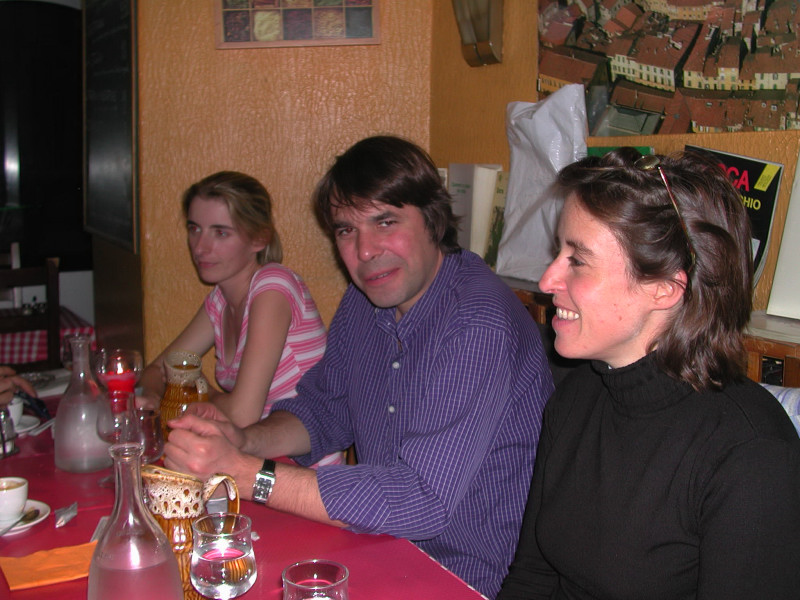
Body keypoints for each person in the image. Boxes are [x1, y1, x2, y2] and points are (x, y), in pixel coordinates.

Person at [163, 135, 554, 598]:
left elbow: (421, 499)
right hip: (379, 547)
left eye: (385, 221)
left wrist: (248, 474)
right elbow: (325, 410)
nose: (365, 251)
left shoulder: (478, 321)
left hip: (466, 578)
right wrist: (244, 440)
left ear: (433, 219)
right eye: (346, 230)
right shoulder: (364, 302)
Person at [498, 148, 800, 599]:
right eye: (558, 251)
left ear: (663, 288)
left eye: (577, 260)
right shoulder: (578, 395)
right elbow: (532, 577)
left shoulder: (752, 455)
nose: (546, 281)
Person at [139, 171, 341, 465]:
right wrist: (150, 398)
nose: (200, 247)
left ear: (259, 238)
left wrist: (198, 389)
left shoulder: (274, 286)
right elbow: (158, 369)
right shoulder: (219, 302)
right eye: (195, 229)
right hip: (251, 459)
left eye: (220, 232)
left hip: (304, 470)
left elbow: (243, 415)